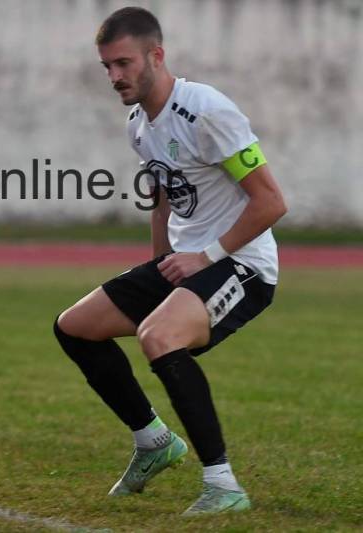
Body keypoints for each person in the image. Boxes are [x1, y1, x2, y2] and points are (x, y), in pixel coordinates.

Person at [54, 7, 287, 516]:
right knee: (74, 327)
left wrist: (205, 256)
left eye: (124, 63)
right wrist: (160, 265)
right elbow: (163, 199)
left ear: (156, 56)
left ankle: (223, 485)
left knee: (158, 336)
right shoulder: (138, 125)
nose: (115, 77)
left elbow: (271, 202)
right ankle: (153, 441)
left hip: (242, 264)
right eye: (107, 67)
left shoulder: (207, 111)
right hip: (187, 262)